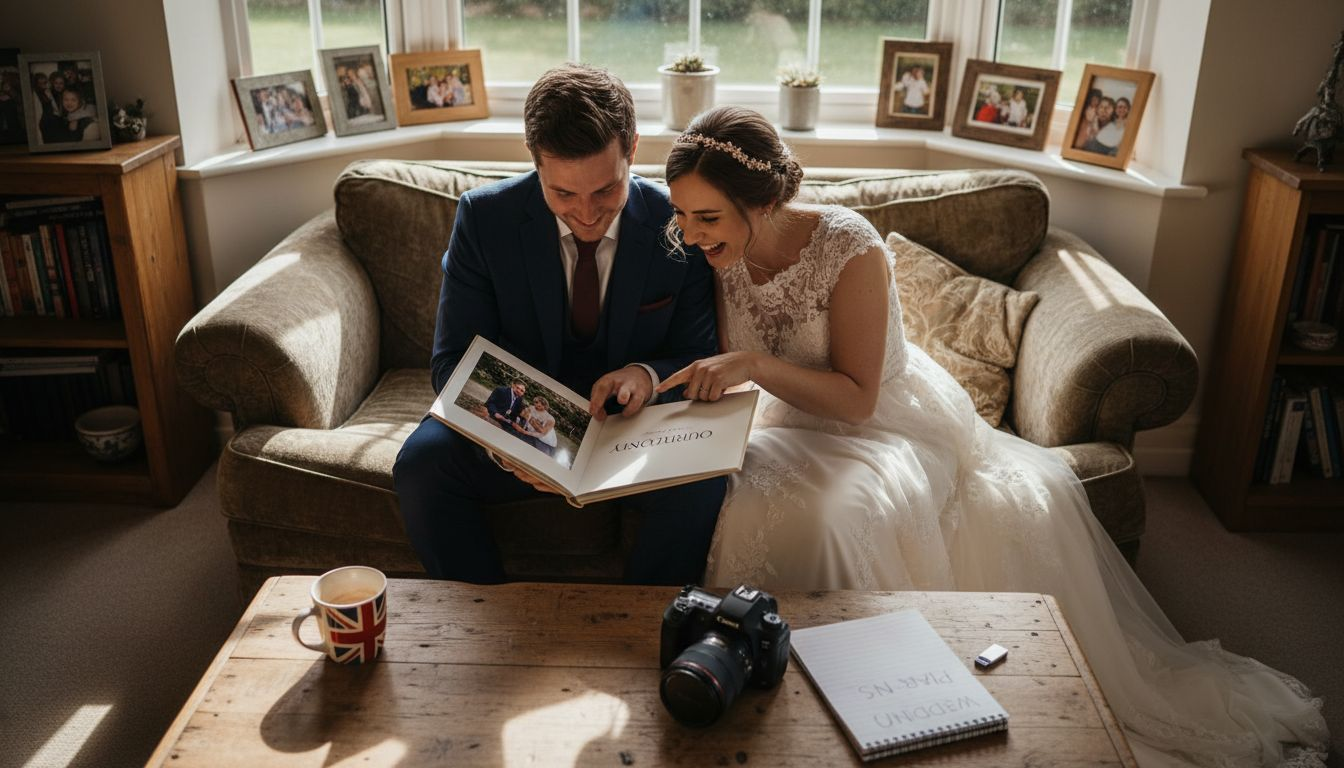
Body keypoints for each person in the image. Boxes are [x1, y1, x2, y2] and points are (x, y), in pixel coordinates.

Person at [656, 105, 1329, 767]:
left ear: (765, 200)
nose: (688, 235)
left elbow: (857, 399)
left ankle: (857, 692)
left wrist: (750, 366)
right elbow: (735, 363)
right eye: (681, 215)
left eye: (706, 217)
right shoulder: (720, 256)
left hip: (881, 427)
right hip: (788, 422)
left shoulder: (846, 245)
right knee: (736, 496)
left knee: (834, 518)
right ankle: (753, 672)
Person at [393, 63, 725, 586]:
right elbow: (452, 360)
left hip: (631, 430)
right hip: (521, 423)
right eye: (564, 195)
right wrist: (512, 438)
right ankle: (482, 620)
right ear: (535, 165)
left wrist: (645, 374)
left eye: (605, 190)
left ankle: (646, 628)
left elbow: (697, 350)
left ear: (632, 149)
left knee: (702, 484)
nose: (587, 214)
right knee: (421, 466)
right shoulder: (484, 218)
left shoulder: (677, 223)